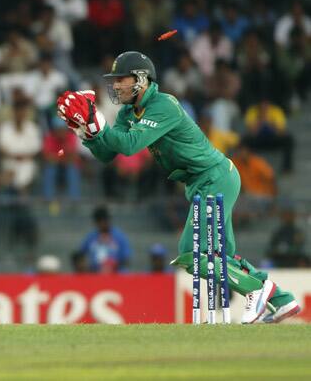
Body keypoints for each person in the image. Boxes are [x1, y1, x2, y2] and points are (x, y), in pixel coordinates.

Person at [57, 51, 300, 323]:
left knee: (192, 253)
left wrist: (97, 122)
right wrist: (87, 133)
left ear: (140, 79)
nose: (115, 86)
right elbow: (108, 154)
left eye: (121, 80)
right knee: (220, 257)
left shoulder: (163, 105)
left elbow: (129, 145)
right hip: (201, 182)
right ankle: (281, 300)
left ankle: (258, 290)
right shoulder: (129, 110)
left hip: (214, 176)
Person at [79, 206, 132, 273]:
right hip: (96, 275)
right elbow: (80, 255)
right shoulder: (91, 237)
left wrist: (113, 266)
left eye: (105, 220)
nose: (103, 224)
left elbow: (126, 260)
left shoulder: (119, 237)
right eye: (99, 221)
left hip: (117, 275)